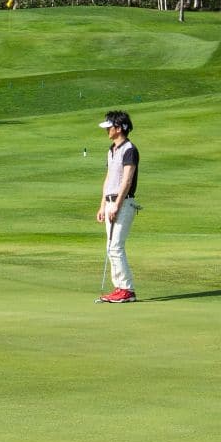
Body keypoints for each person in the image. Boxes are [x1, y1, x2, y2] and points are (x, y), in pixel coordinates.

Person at [95, 110, 139, 303]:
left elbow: (127, 180)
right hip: (111, 203)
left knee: (116, 247)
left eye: (109, 127)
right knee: (110, 247)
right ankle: (119, 287)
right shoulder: (111, 149)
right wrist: (103, 205)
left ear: (119, 128)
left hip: (124, 202)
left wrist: (116, 205)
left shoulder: (129, 149)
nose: (107, 131)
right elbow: (109, 179)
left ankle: (127, 289)